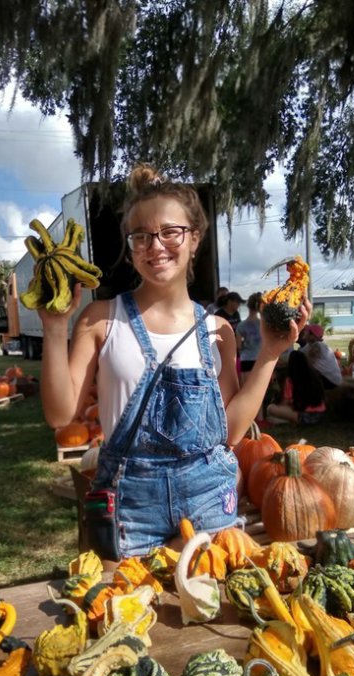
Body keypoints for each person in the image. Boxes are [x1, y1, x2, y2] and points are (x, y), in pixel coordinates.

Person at [39, 163, 310, 560]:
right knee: (133, 613)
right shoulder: (100, 318)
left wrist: (270, 353)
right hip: (131, 505)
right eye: (141, 236)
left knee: (213, 607)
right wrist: (53, 327)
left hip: (208, 499)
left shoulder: (219, 329)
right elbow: (60, 416)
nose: (155, 246)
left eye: (170, 232)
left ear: (195, 239)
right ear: (129, 247)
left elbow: (231, 432)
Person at [266, 350, 326, 425]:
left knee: (271, 408)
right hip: (320, 415)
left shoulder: (291, 380)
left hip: (302, 416)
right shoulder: (315, 376)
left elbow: (285, 403)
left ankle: (284, 420)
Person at [299, 323, 342, 389]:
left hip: (330, 380)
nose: (304, 332)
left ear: (312, 335)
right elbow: (298, 354)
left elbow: (308, 361)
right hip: (326, 378)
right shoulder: (309, 345)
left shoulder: (318, 345)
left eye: (306, 331)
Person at [236, 292, 262, 380]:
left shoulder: (240, 325)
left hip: (246, 359)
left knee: (247, 389)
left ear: (248, 306)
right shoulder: (263, 324)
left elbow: (239, 346)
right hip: (261, 359)